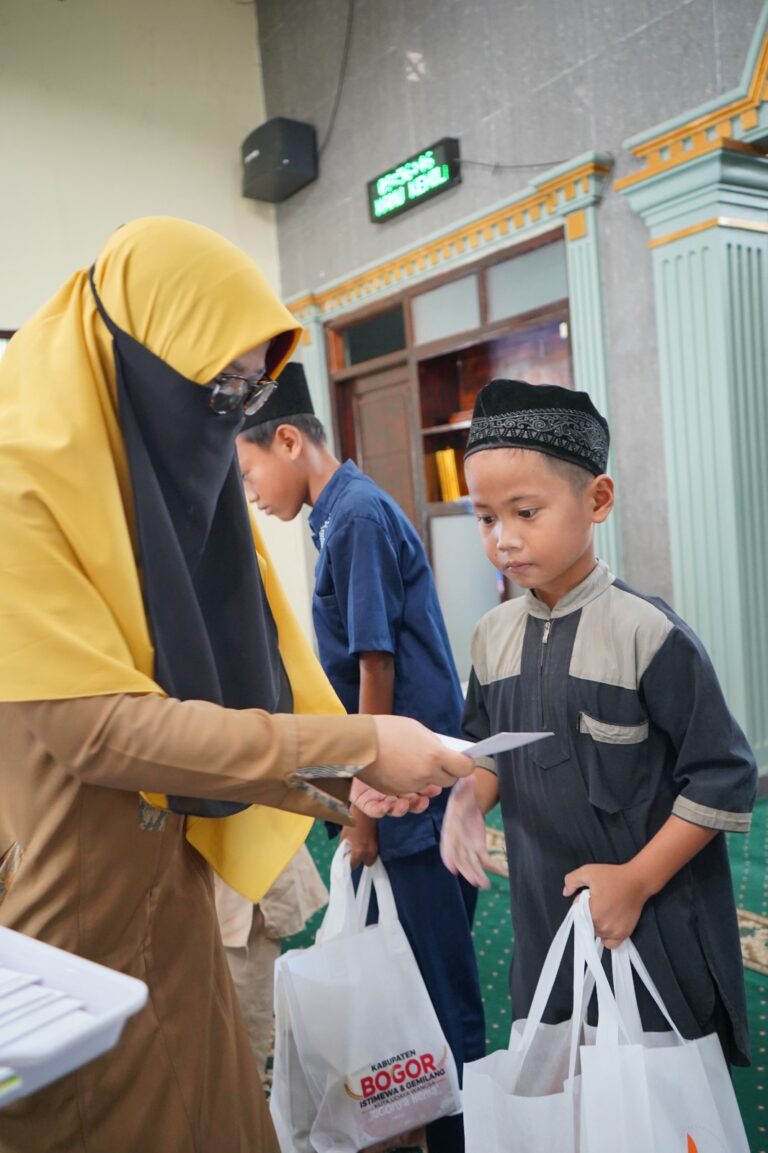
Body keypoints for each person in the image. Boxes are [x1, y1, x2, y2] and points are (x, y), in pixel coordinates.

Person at [0, 217, 474, 1153]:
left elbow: (240, 677)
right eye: (219, 386)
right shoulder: (23, 486)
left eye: (249, 391)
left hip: (174, 895)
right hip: (74, 922)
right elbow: (103, 732)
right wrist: (361, 744)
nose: (231, 417)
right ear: (142, 357)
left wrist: (344, 780)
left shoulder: (166, 479)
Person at [439, 377, 757, 1067]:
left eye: (526, 511)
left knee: (652, 1092)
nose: (504, 540)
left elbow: (726, 777)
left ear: (598, 499)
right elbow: (490, 748)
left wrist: (637, 880)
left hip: (646, 918)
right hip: (542, 914)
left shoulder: (648, 633)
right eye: (487, 517)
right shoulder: (490, 636)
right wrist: (467, 797)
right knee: (562, 1082)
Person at [236, 364, 486, 1153]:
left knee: (443, 992)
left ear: (287, 440)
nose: (251, 493)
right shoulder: (337, 514)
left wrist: (364, 802)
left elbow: (376, 662)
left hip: (409, 790)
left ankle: (464, 1137)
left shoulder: (355, 519)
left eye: (248, 474)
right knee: (414, 978)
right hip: (401, 779)